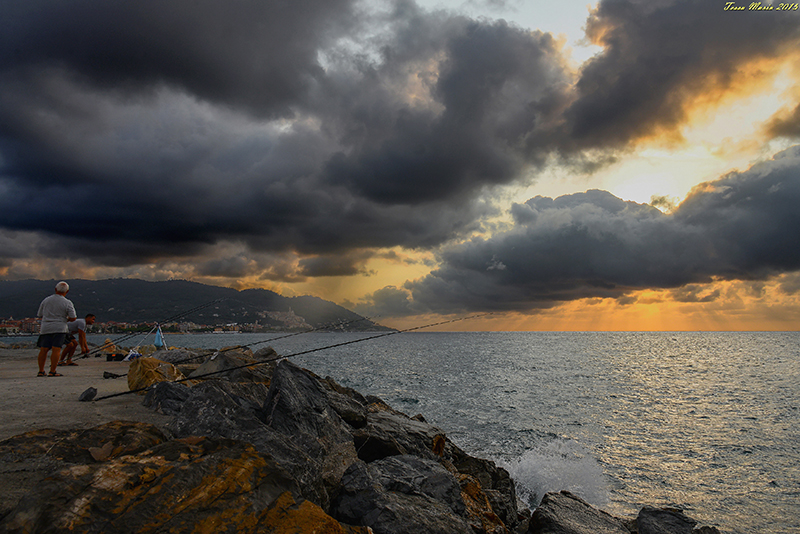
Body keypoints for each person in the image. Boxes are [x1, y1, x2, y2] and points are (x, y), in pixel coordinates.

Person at [36, 281, 77, 377]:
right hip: (59, 328)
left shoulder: (46, 300)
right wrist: (66, 319)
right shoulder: (67, 302)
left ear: (55, 289)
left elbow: (40, 314)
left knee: (43, 349)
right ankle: (52, 371)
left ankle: (41, 371)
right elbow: (73, 318)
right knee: (56, 349)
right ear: (67, 291)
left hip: (46, 328)